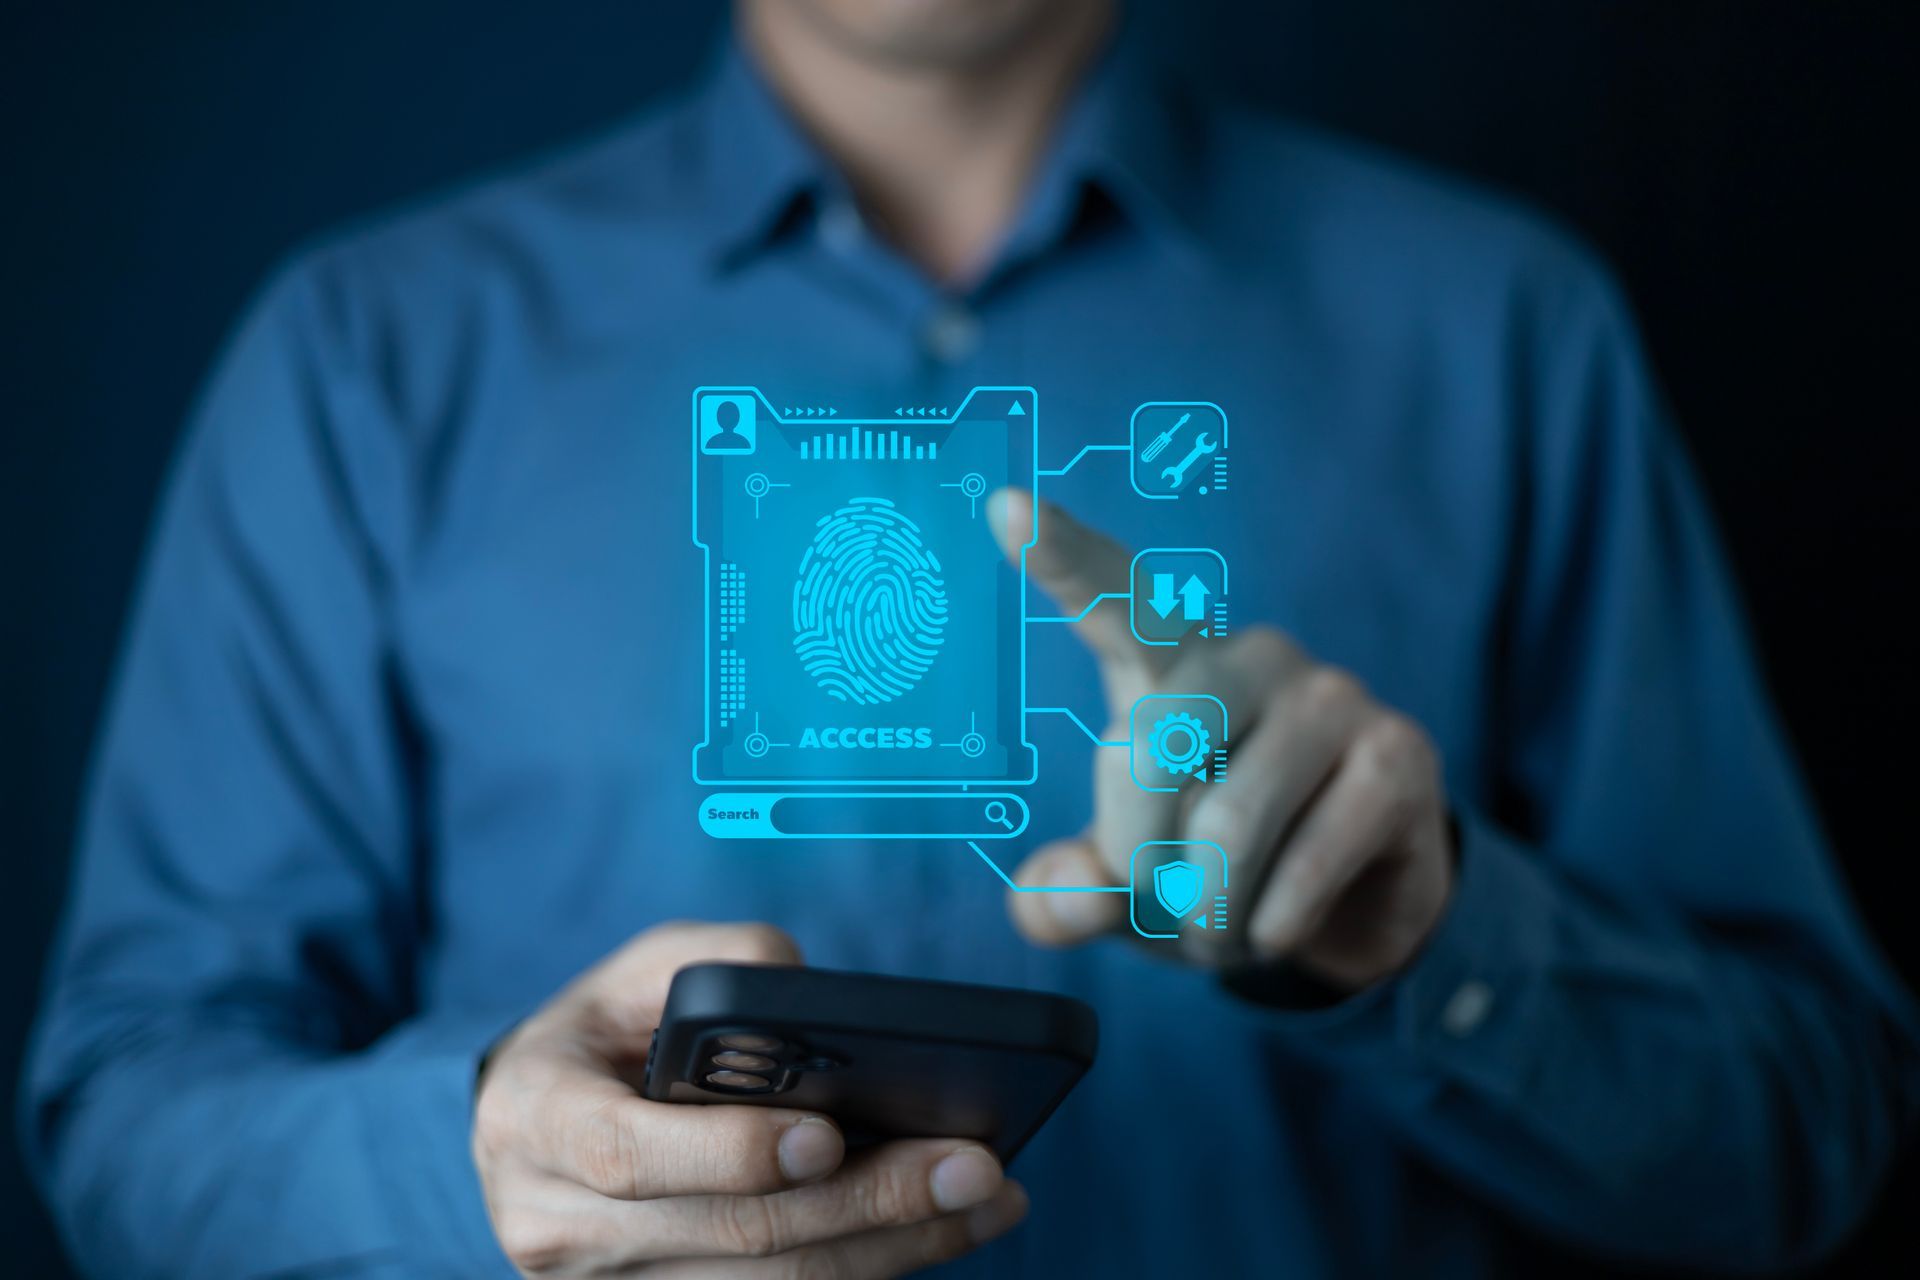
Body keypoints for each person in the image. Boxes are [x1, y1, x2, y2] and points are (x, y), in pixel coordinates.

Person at [23, 0, 1919, 1275]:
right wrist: (485, 1172)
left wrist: (1423, 936)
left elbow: (1802, 1136)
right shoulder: (370, 354)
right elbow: (122, 1109)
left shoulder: (1505, 332)